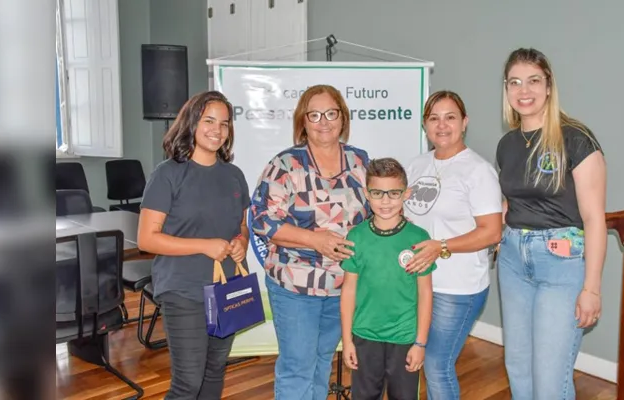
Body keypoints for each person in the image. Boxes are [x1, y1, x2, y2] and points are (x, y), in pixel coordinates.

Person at [495, 47, 606, 400]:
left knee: (549, 379)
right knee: (518, 367)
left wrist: (591, 288)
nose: (523, 91)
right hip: (513, 260)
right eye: (515, 82)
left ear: (548, 86)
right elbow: (512, 196)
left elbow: (594, 218)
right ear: (506, 89)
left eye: (533, 81)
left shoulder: (576, 139)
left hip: (561, 261)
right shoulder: (508, 144)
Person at [250, 84, 371, 399]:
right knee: (297, 368)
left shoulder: (360, 161)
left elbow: (372, 215)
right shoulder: (285, 164)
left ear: (342, 117)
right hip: (296, 285)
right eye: (314, 115)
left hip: (342, 286)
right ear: (303, 121)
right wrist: (315, 240)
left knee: (321, 364)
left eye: (331, 113)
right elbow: (263, 220)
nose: (324, 121)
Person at [137, 90, 250, 399]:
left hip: (226, 287)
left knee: (215, 371)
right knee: (187, 383)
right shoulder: (168, 174)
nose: (217, 130)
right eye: (209, 120)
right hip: (183, 289)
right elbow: (147, 239)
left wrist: (241, 242)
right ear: (191, 123)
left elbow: (240, 226)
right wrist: (203, 245)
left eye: (225, 123)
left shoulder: (234, 175)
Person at [402, 90, 504, 399]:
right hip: (418, 282)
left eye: (450, 117)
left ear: (464, 122)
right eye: (434, 118)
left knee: (436, 364)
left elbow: (491, 232)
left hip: (457, 287)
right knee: (416, 359)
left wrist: (440, 246)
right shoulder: (415, 166)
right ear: (425, 124)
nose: (442, 125)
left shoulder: (478, 170)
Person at [340, 158, 435, 400]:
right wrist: (347, 340)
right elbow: (349, 290)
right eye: (377, 193)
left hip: (405, 338)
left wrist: (420, 343)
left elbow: (425, 293)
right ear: (366, 194)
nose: (385, 201)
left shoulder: (418, 238)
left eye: (393, 193)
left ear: (406, 194)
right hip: (364, 336)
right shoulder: (356, 237)